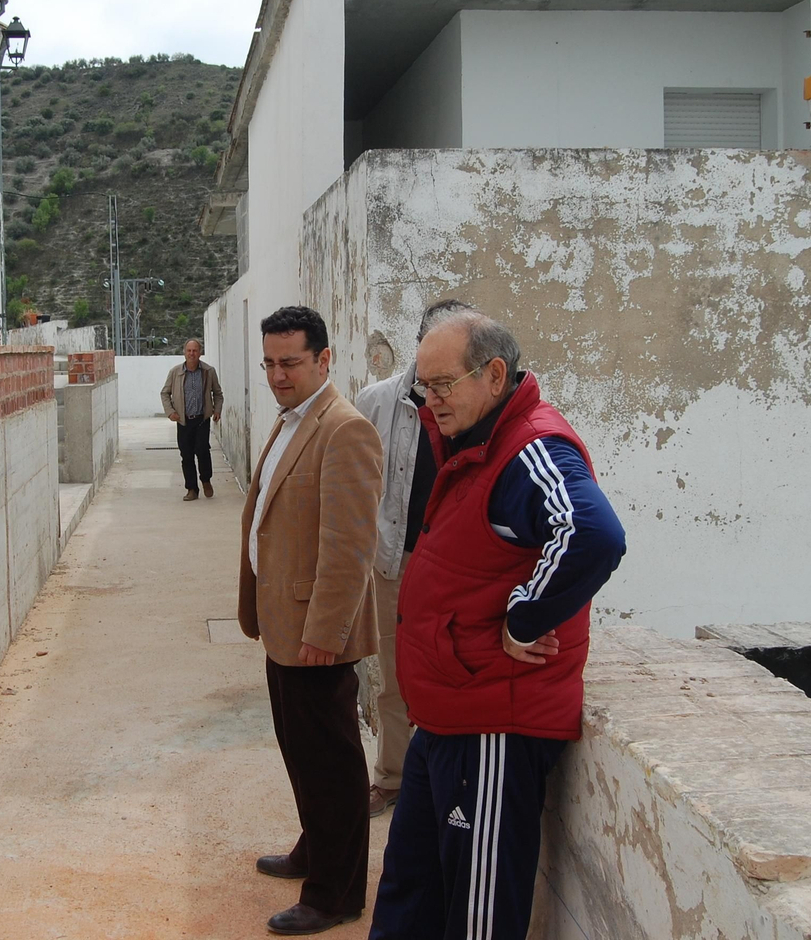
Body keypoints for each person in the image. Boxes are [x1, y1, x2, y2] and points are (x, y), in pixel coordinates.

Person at [368, 311, 626, 940]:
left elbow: (592, 533)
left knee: (476, 918)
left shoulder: (530, 446)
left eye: (441, 386)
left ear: (494, 374)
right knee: (408, 894)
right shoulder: (473, 436)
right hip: (450, 713)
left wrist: (525, 613)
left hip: (492, 725)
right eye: (422, 388)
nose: (429, 401)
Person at [239, 305, 383, 936]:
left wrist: (325, 632)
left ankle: (336, 892)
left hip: (315, 633)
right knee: (302, 751)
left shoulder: (343, 428)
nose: (277, 374)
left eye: (290, 362)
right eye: (269, 363)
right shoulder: (293, 420)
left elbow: (349, 548)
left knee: (332, 763)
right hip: (283, 624)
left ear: (325, 360)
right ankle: (313, 851)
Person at [353, 299, 473, 819]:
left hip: (455, 573)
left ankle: (448, 785)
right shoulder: (378, 401)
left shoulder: (477, 406)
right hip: (393, 564)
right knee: (395, 680)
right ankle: (394, 778)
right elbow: (357, 484)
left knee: (455, 676)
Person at [161, 338, 224, 501]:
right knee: (186, 455)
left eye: (195, 350)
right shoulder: (175, 372)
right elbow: (165, 393)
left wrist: (217, 410)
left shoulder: (208, 371)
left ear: (200, 353)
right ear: (184, 352)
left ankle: (206, 480)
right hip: (183, 420)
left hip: (202, 419)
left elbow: (218, 393)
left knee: (202, 450)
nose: (192, 354)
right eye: (189, 350)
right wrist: (170, 412)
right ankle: (191, 489)